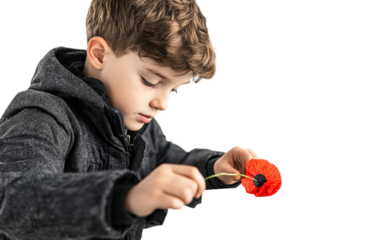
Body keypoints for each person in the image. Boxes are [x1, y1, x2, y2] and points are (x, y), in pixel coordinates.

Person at [0, 0, 259, 239]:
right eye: (151, 81)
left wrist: (217, 168)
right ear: (100, 54)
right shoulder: (41, 116)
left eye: (173, 90)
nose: (164, 104)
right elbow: (14, 200)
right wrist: (124, 199)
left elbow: (171, 164)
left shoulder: (142, 125)